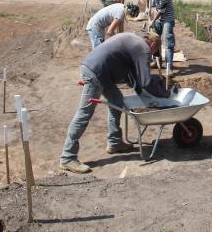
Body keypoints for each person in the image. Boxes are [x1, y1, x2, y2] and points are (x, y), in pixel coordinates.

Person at [60, 32, 168, 173]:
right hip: (96, 71)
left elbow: (136, 78)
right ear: (153, 45)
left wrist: (143, 90)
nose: (152, 55)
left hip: (101, 70)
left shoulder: (134, 41)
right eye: (155, 52)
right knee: (84, 114)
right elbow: (146, 82)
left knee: (117, 101)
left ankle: (115, 143)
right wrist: (166, 95)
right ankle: (67, 157)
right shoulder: (143, 48)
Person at [144, 0, 176, 68]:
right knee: (155, 39)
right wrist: (147, 7)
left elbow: (162, 10)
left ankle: (168, 66)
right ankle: (156, 61)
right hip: (158, 16)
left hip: (167, 17)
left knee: (167, 40)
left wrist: (152, 21)